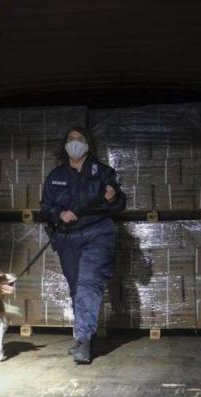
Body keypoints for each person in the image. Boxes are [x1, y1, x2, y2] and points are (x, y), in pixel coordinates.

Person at [40, 127, 126, 364]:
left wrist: (112, 198)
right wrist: (59, 213)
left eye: (80, 139)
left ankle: (84, 340)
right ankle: (83, 339)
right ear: (64, 144)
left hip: (98, 233)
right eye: (71, 139)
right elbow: (45, 208)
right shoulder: (55, 175)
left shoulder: (103, 172)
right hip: (68, 237)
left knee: (89, 282)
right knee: (77, 288)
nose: (75, 143)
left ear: (88, 145)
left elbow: (120, 204)